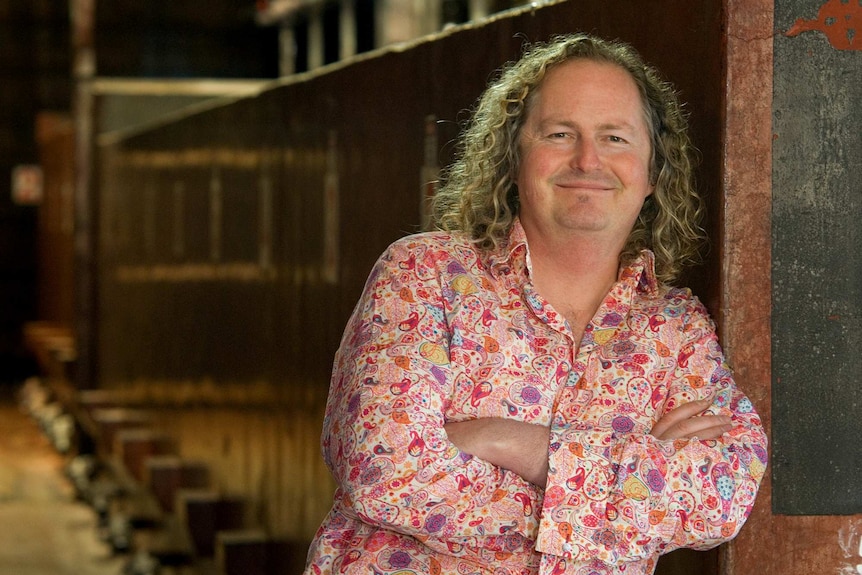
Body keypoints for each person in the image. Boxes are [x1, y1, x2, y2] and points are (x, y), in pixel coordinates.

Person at [304, 33, 767, 575]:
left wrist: (511, 442)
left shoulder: (676, 328)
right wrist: (633, 491)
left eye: (615, 137)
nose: (587, 159)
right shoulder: (425, 275)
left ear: (653, 174)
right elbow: (384, 473)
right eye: (559, 133)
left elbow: (724, 493)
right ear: (514, 157)